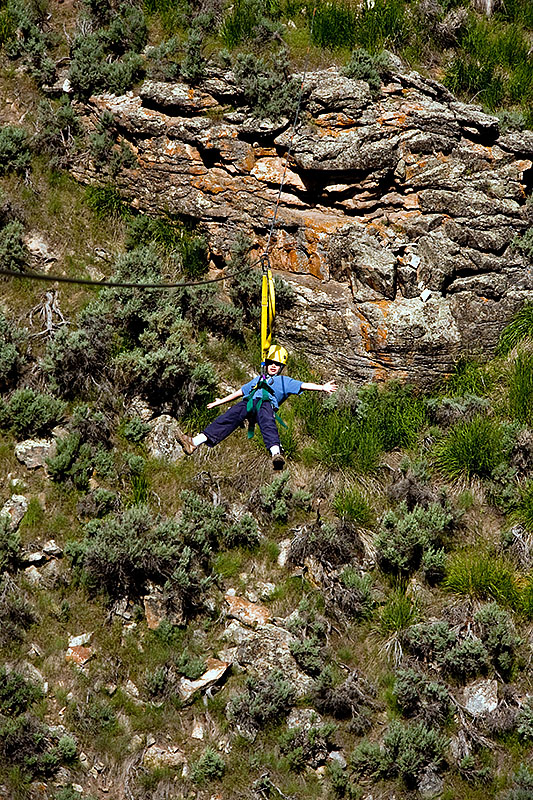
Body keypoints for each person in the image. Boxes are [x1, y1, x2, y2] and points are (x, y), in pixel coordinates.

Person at [177, 345, 337, 469]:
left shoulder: (284, 381)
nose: (273, 366)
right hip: (249, 403)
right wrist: (220, 402)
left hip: (265, 405)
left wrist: (322, 387)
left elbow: (303, 385)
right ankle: (194, 442)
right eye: (270, 363)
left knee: (268, 423)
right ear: (265, 364)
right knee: (229, 416)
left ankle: (276, 454)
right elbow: (240, 392)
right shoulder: (258, 379)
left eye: (277, 364)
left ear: (281, 367)